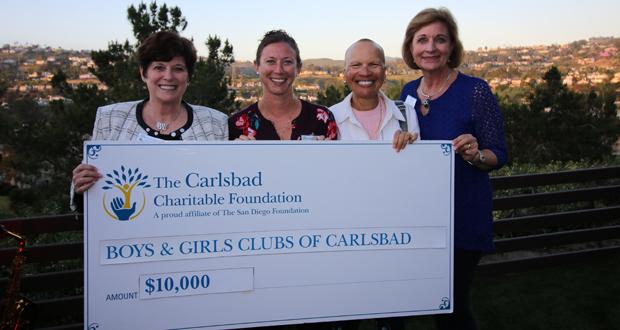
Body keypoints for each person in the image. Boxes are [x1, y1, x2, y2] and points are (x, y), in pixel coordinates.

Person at [399, 8, 507, 330]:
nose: (430, 47)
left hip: (464, 213)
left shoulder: (475, 91)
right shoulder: (406, 93)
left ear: (451, 47)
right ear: (411, 48)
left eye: (440, 39)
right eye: (422, 40)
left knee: (453, 306)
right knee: (435, 301)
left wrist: (475, 155)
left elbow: (498, 153)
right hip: (424, 218)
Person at [71, 31, 228, 207]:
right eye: (159, 67)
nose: (168, 76)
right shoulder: (111, 119)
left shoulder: (215, 123)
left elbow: (225, 187)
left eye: (178, 68)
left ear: (188, 76)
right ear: (144, 73)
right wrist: (81, 184)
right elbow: (94, 194)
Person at [228, 30, 338, 141]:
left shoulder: (323, 119)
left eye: (287, 62)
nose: (279, 70)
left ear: (298, 67)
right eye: (271, 61)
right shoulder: (235, 126)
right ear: (257, 66)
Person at [330, 38, 419, 152]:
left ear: (384, 72)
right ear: (345, 74)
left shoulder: (407, 114)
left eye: (373, 64)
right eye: (356, 65)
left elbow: (416, 166)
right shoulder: (330, 117)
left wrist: (412, 148)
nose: (365, 72)